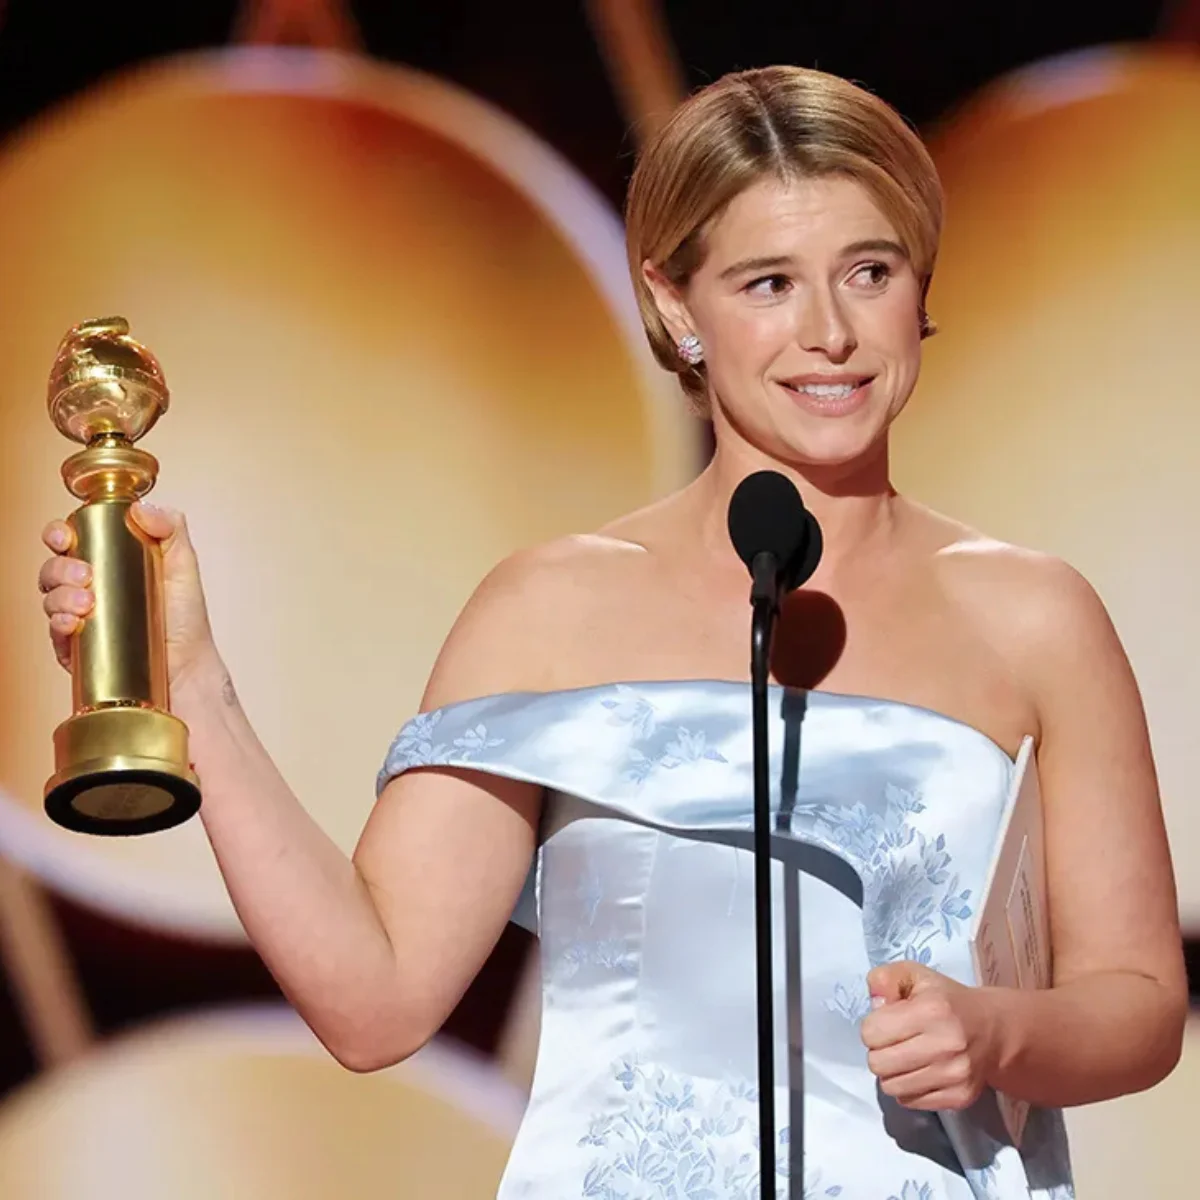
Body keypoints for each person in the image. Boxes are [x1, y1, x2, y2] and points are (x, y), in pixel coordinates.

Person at [37, 66, 1185, 1199]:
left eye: (868, 272)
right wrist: (196, 688)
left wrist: (996, 1036)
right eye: (768, 284)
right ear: (676, 306)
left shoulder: (1037, 614)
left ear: (918, 282)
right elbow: (375, 1002)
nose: (829, 331)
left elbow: (1137, 1006)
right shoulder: (551, 608)